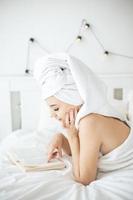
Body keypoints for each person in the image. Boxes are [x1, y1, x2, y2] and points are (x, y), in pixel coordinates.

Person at [34, 53, 132, 187]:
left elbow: (84, 179)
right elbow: (83, 151)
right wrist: (61, 139)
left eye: (55, 108)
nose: (51, 114)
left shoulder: (90, 122)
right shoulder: (88, 118)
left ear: (73, 98)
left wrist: (72, 136)